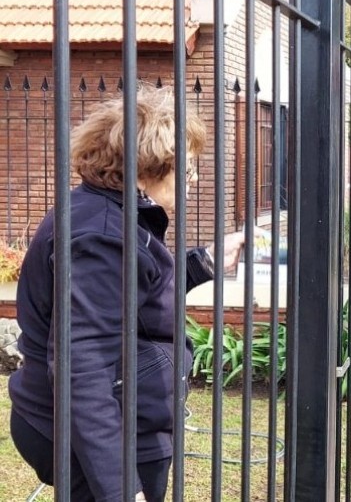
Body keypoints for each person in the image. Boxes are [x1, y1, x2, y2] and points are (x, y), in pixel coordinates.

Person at [8, 84, 244, 502]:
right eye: (185, 169)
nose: (194, 179)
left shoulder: (105, 213)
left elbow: (131, 297)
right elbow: (82, 367)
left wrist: (201, 262)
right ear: (145, 168)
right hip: (107, 435)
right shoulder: (101, 235)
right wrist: (120, 488)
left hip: (122, 419)